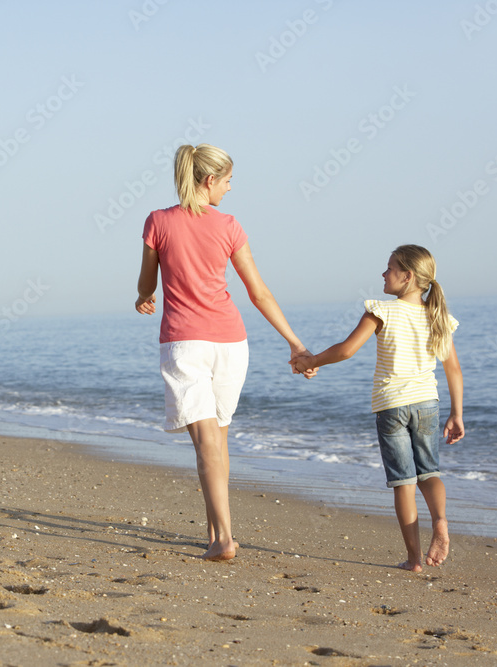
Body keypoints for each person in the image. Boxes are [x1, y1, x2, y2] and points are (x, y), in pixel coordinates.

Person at [135, 143, 314, 562]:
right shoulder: (230, 226)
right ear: (209, 180)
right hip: (232, 344)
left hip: (186, 344)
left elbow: (147, 283)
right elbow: (259, 292)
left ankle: (223, 540)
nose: (230, 189)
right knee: (218, 441)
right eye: (229, 181)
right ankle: (218, 532)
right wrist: (295, 342)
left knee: (207, 446)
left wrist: (144, 298)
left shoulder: (158, 222)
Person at [291, 244, 464, 572]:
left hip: (391, 406)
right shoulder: (437, 316)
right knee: (430, 472)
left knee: (403, 482)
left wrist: (311, 362)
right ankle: (440, 522)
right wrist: (456, 413)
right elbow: (453, 370)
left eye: (389, 268)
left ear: (407, 276)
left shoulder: (381, 310)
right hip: (428, 403)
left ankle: (414, 560)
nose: (383, 274)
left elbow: (346, 350)